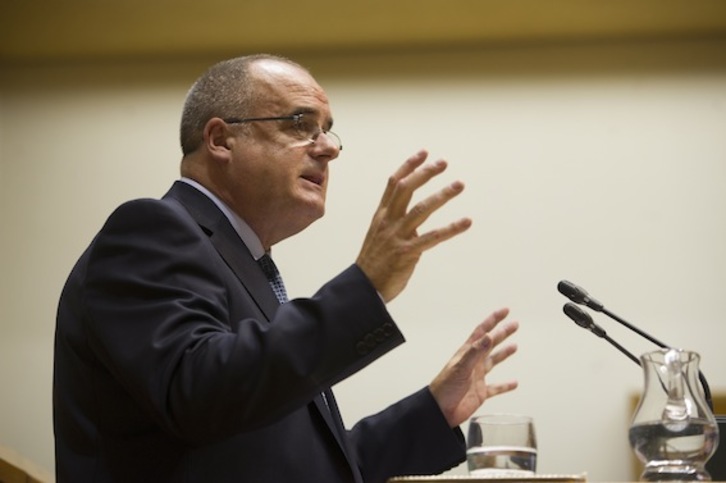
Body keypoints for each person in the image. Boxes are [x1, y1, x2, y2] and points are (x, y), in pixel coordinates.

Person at [53, 53, 520, 483]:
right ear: (220, 139)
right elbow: (200, 393)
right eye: (300, 124)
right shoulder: (151, 230)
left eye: (327, 129)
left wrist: (434, 411)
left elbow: (308, 469)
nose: (328, 148)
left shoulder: (248, 266)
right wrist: (365, 287)